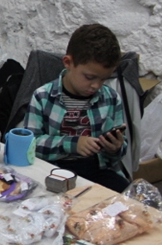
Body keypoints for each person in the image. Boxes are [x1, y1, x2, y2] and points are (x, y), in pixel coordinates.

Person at [23, 24, 129, 192]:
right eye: (89, 77)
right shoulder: (42, 97)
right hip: (53, 170)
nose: (96, 85)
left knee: (129, 198)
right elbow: (30, 145)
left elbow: (118, 153)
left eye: (103, 79)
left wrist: (115, 148)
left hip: (97, 170)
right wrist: (72, 144)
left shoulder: (111, 98)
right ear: (68, 63)